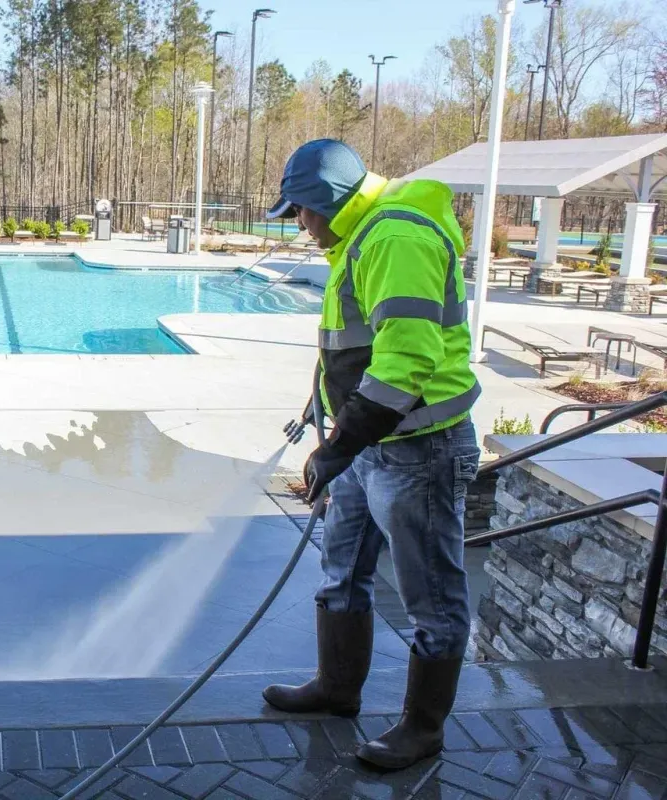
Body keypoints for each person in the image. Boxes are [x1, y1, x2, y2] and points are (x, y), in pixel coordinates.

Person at [260, 139, 481, 771]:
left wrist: (340, 445)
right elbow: (359, 346)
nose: (301, 225)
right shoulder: (361, 237)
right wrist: (329, 414)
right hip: (373, 443)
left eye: (302, 211)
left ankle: (422, 729)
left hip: (419, 449)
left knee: (431, 595)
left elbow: (408, 359)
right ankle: (337, 689)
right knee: (342, 567)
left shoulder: (394, 238)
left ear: (328, 201)